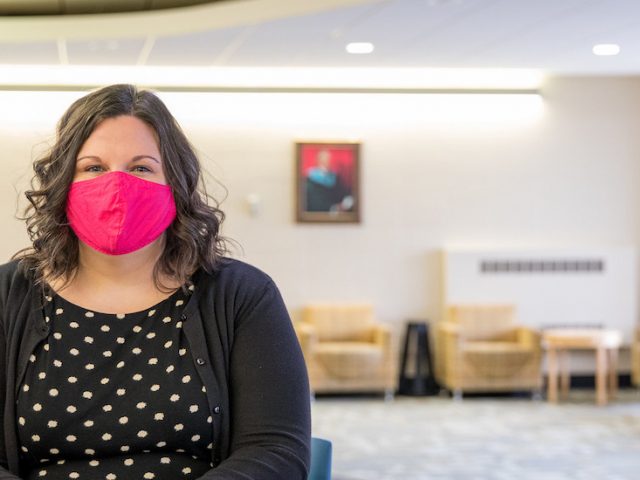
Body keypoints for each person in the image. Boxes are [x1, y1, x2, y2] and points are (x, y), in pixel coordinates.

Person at [0, 84, 311, 479]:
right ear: (64, 183)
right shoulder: (8, 296)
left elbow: (276, 451)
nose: (117, 186)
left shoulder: (242, 296)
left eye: (141, 168)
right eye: (94, 167)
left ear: (175, 183)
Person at [305, 149, 353, 213]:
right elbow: (312, 202)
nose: (326, 162)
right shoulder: (309, 179)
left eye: (328, 160)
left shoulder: (335, 177)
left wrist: (346, 203)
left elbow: (342, 194)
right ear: (318, 161)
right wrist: (333, 208)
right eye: (323, 160)